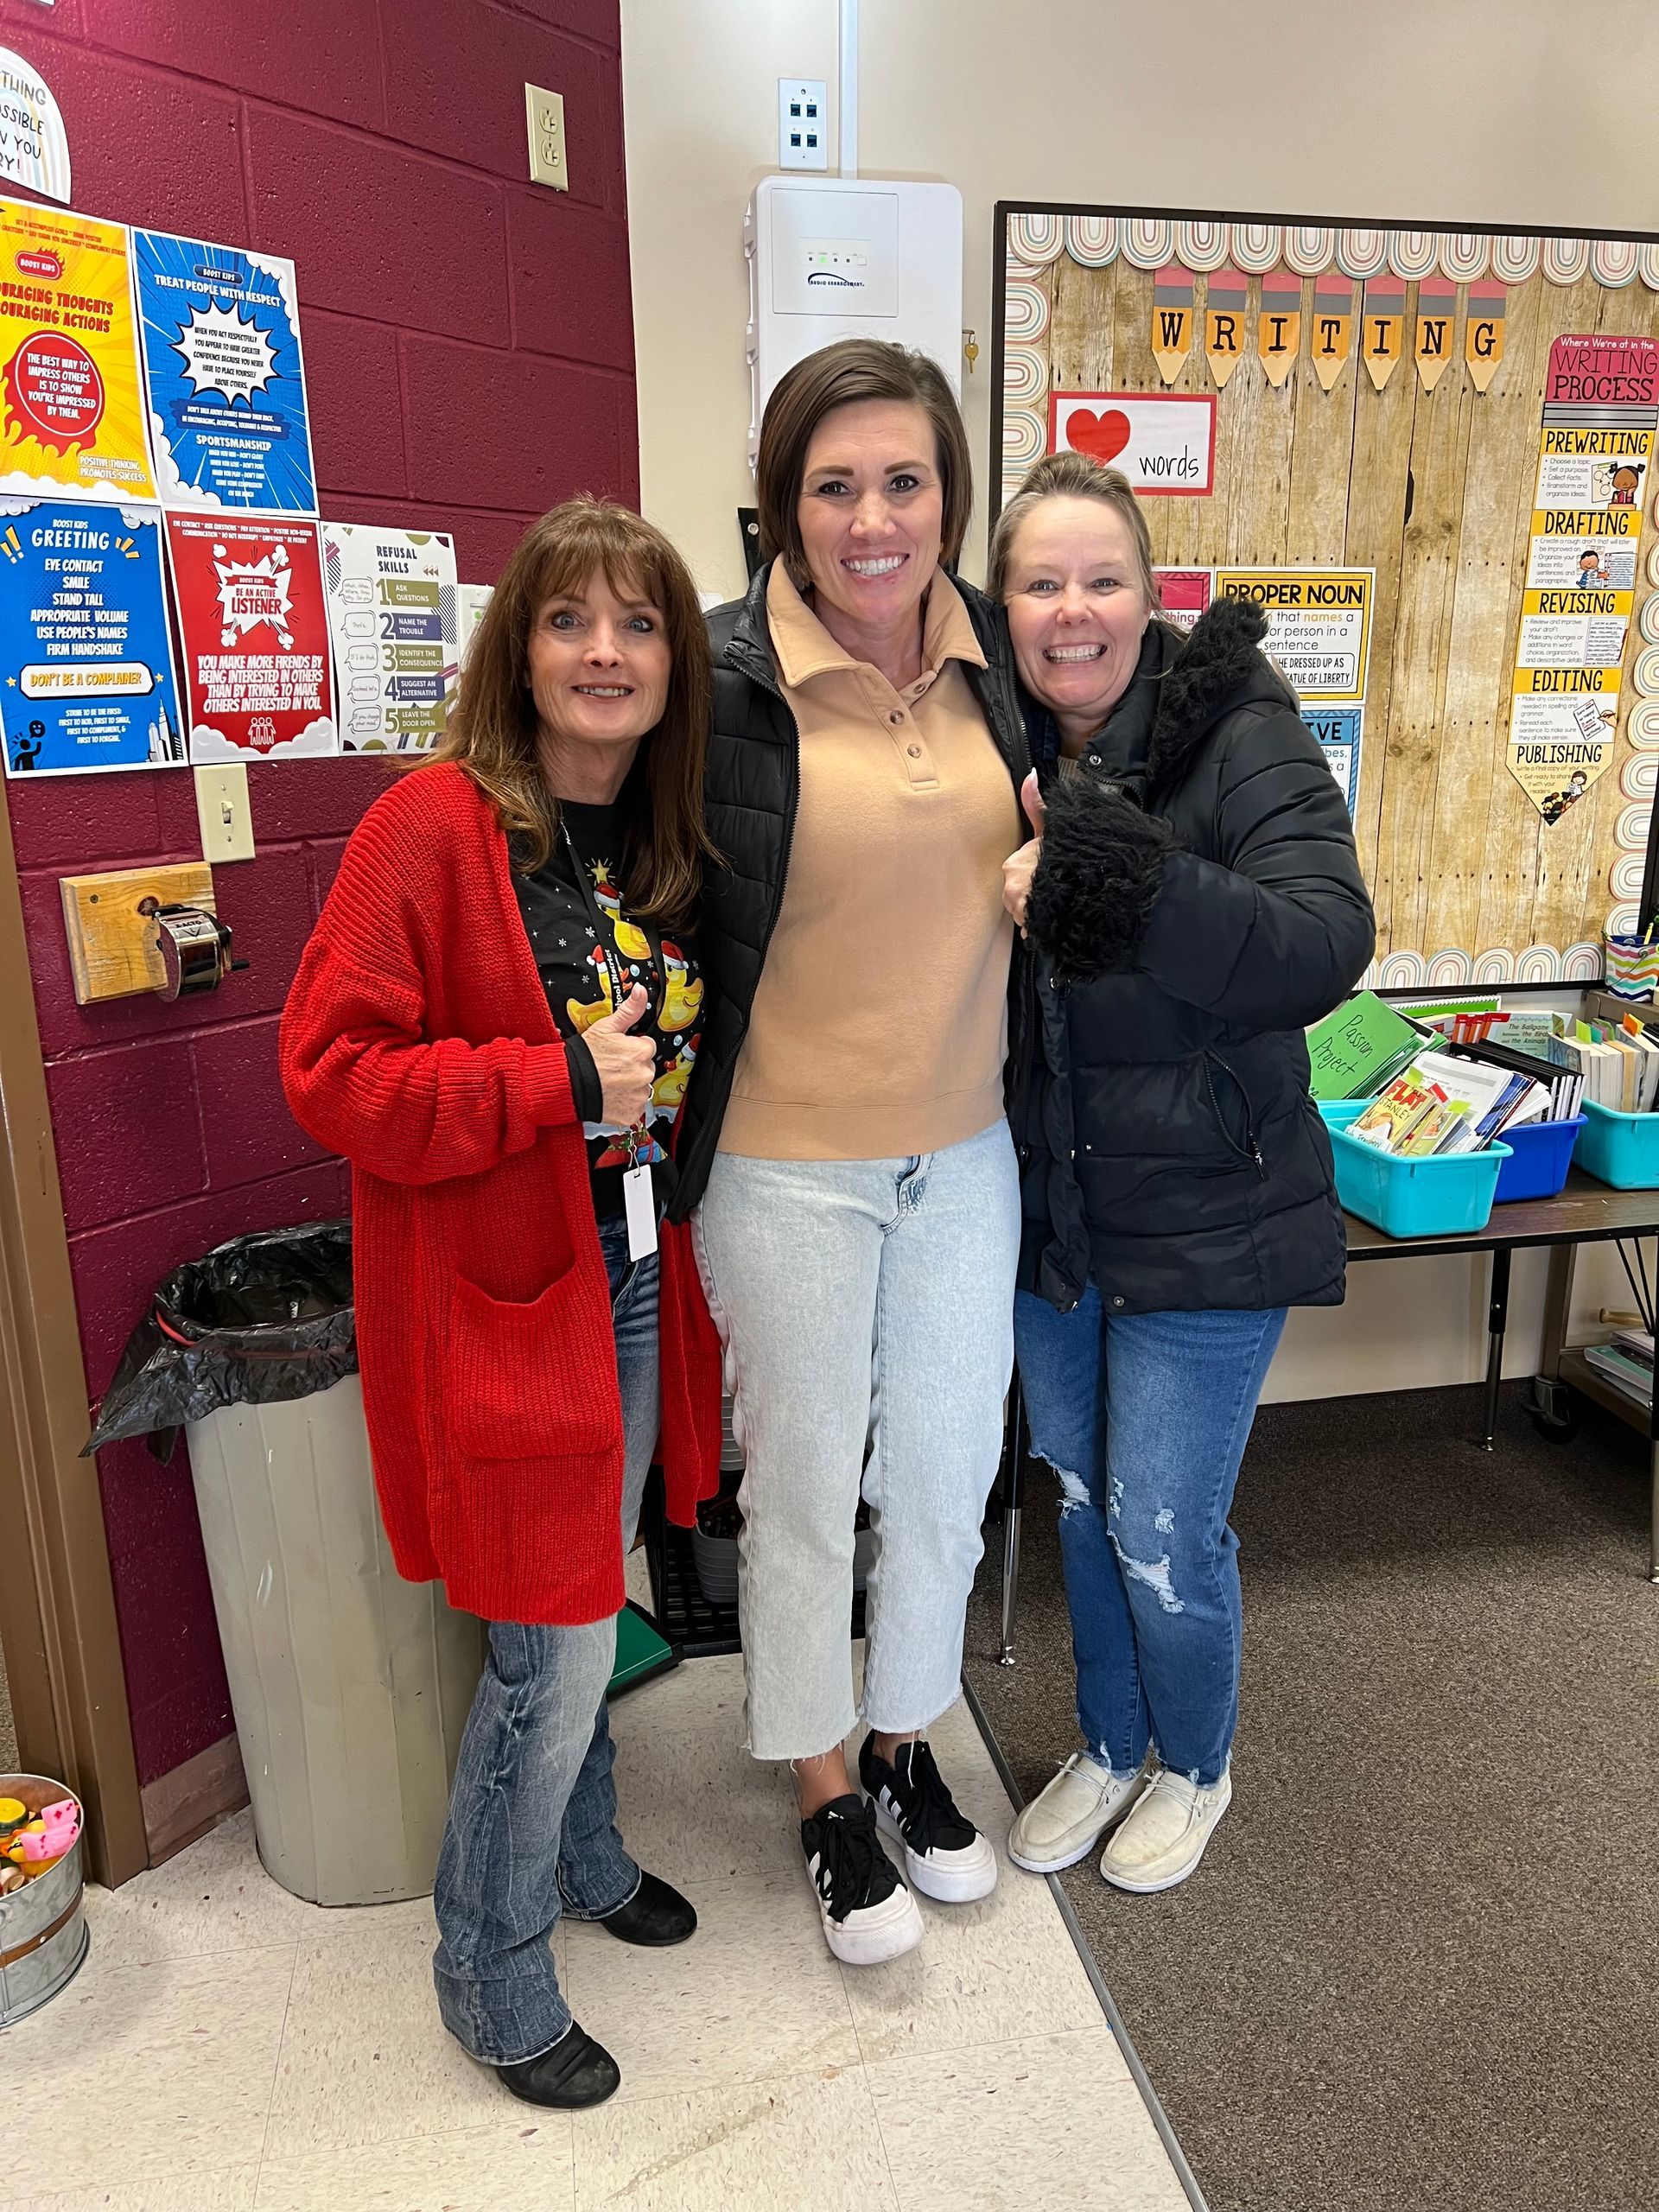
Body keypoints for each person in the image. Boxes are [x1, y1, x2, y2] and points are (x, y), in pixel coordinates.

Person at [280, 499, 722, 2107]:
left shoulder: (669, 853)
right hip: (500, 1290)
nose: (605, 653)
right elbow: (329, 1074)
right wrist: (546, 1081)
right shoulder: (430, 828)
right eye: (568, 621)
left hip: (630, 1271)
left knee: (590, 1588)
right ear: (516, 649)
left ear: (679, 660)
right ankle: (489, 1965)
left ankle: (588, 1853)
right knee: (543, 1640)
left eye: (640, 624)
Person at [667, 339, 1030, 1965]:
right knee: (809, 1492)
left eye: (905, 481)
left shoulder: (1000, 659)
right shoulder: (722, 672)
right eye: (834, 485)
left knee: (947, 1484)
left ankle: (904, 1744)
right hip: (785, 1164)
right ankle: (819, 1782)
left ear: (949, 497)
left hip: (964, 1154)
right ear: (782, 504)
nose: (872, 518)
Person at [993, 452, 1373, 1893]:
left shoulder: (1239, 732)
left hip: (1214, 1207)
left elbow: (1324, 943)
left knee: (1163, 1519)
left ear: (1153, 603)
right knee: (1083, 1495)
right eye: (1041, 582)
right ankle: (1110, 1738)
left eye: (1102, 581)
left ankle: (1194, 1764)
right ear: (1006, 604)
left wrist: (1116, 867)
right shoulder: (989, 735)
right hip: (1059, 1210)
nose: (1071, 611)